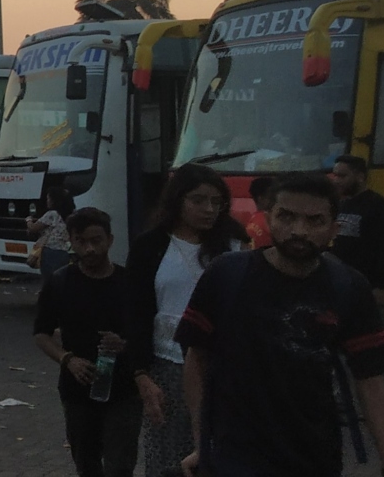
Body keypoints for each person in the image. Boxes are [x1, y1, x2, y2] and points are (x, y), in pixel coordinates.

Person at [175, 173, 384, 477]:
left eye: (314, 221)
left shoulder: (348, 286)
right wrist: (202, 443)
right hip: (237, 454)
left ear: (333, 229)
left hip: (315, 455)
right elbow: (197, 358)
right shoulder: (226, 275)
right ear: (268, 218)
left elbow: (371, 381)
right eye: (287, 216)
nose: (299, 230)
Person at [124, 164, 248, 477]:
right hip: (167, 368)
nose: (209, 209)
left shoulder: (235, 245)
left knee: (221, 454)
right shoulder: (150, 246)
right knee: (168, 457)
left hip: (224, 368)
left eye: (216, 202)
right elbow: (136, 314)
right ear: (178, 200)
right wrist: (141, 375)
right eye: (198, 200)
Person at [32, 207, 140, 477]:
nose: (89, 249)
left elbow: (146, 333)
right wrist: (67, 359)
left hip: (124, 390)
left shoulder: (130, 283)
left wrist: (125, 344)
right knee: (86, 464)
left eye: (96, 240)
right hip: (77, 391)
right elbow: (41, 333)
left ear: (110, 240)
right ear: (71, 241)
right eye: (81, 241)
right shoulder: (60, 282)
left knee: (120, 466)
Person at [329, 155, 384, 316]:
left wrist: (382, 286)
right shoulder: (342, 204)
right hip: (344, 282)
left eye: (342, 176)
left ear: (360, 177)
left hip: (370, 285)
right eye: (335, 175)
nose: (336, 181)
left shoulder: (378, 206)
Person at [31, 187, 77, 291]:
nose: (47, 201)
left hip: (50, 251)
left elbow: (33, 228)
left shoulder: (52, 214)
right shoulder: (73, 214)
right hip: (66, 251)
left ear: (55, 200)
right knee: (63, 280)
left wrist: (28, 220)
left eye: (48, 198)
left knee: (49, 281)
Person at [243, 177, 276, 249]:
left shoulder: (253, 219)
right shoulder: (271, 221)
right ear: (261, 199)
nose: (276, 200)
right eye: (272, 197)